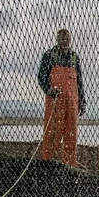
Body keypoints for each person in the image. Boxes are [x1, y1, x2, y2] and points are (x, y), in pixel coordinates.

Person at [37, 29, 85, 167]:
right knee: (52, 133)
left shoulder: (74, 57)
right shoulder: (49, 56)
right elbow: (41, 77)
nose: (64, 42)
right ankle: (49, 164)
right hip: (55, 101)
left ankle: (70, 165)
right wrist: (48, 89)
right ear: (57, 40)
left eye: (66, 39)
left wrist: (82, 101)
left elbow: (79, 82)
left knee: (71, 135)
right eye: (61, 40)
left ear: (70, 40)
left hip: (72, 102)